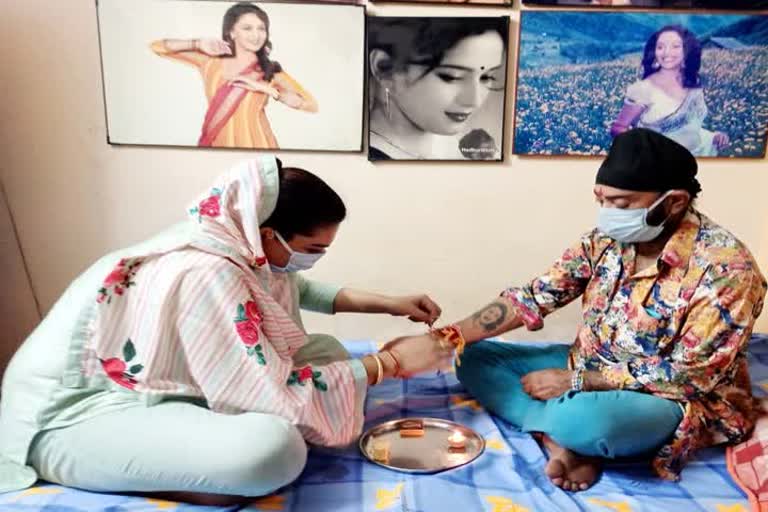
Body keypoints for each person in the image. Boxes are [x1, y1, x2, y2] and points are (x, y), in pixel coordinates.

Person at [0, 156, 453, 506]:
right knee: (276, 449)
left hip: (147, 384)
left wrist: (391, 303)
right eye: (311, 249)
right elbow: (272, 392)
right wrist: (388, 363)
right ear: (269, 233)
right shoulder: (206, 270)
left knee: (327, 353)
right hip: (72, 416)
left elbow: (295, 283)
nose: (312, 261)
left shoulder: (232, 236)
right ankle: (187, 481)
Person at [389, 128, 766, 491]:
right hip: (586, 365)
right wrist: (444, 339)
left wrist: (577, 383)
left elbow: (690, 377)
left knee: (588, 420)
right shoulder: (607, 241)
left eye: (620, 204)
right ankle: (562, 440)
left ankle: (573, 433)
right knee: (467, 357)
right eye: (601, 199)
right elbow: (533, 297)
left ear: (674, 202)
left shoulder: (726, 269)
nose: (606, 213)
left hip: (668, 397)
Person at [151, 2, 318, 149]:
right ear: (231, 32)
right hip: (217, 147)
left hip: (260, 146)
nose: (256, 35)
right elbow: (158, 47)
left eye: (261, 28)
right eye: (247, 28)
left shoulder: (270, 71)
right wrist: (197, 43)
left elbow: (311, 105)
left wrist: (267, 89)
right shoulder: (210, 62)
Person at [368, 18, 507, 161]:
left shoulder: (474, 152)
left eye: (486, 77)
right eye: (450, 77)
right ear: (385, 68)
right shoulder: (361, 163)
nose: (474, 101)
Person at [610, 25, 729, 157]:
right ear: (654, 52)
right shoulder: (642, 89)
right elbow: (618, 128)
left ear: (687, 51)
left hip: (700, 155)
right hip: (661, 165)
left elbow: (689, 126)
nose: (667, 52)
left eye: (675, 46)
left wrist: (714, 136)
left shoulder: (693, 82)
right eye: (660, 47)